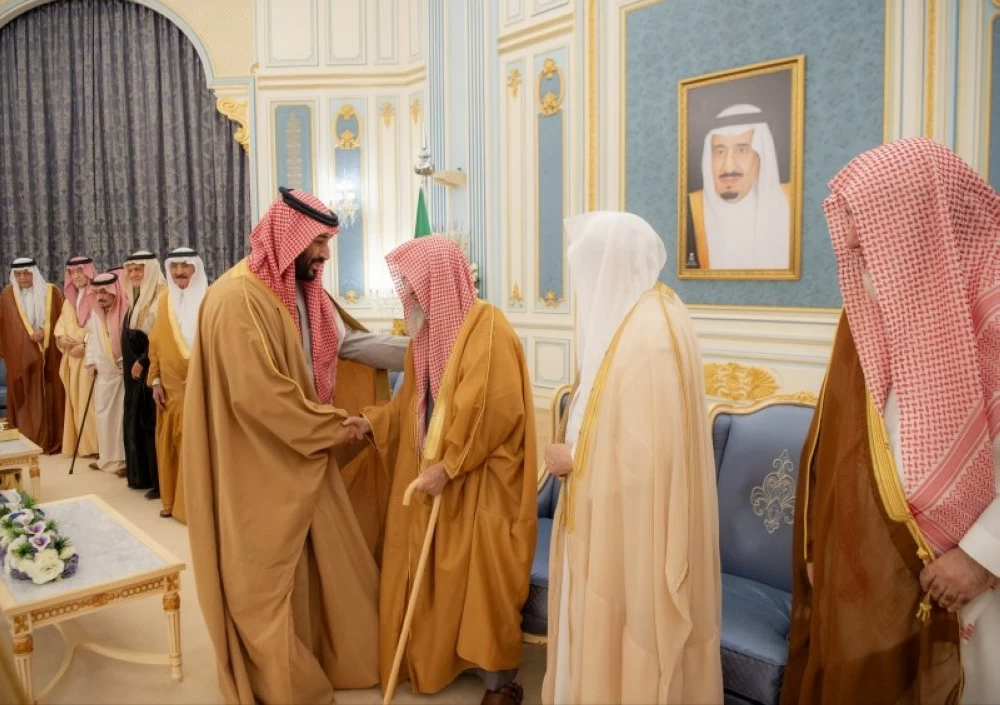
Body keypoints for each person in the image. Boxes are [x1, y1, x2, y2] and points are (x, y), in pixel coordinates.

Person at [782, 138, 999, 705]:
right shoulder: (866, 315)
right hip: (873, 575)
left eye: (865, 217)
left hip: (969, 589)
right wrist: (823, 546)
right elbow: (835, 443)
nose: (852, 237)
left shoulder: (992, 313)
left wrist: (981, 557)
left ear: (919, 216)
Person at [182, 187, 407, 704]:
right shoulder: (238, 299)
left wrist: (424, 349)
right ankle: (280, 677)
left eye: (328, 242)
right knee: (263, 573)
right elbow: (260, 396)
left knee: (327, 562)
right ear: (289, 236)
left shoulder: (304, 290)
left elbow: (350, 343)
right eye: (318, 242)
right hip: (256, 459)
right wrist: (335, 427)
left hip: (305, 450)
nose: (325, 254)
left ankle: (323, 654)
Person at [341, 235, 537, 705]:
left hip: (482, 483)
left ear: (437, 283)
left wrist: (448, 467)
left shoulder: (488, 330)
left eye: (412, 284)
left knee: (483, 583)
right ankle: (435, 656)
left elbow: (491, 411)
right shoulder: (426, 338)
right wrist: (371, 421)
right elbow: (410, 403)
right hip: (437, 476)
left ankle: (499, 685)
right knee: (432, 575)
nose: (406, 294)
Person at [540, 212, 723, 704]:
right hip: (605, 519)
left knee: (626, 640)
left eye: (589, 269)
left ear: (611, 265)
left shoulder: (650, 337)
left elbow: (650, 461)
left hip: (631, 531)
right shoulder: (641, 317)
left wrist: (574, 457)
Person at [686, 103, 791, 270]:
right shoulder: (690, 210)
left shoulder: (791, 202)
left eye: (742, 150)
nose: (728, 166)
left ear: (760, 157)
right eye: (719, 152)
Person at [147, 247, 207, 521]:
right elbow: (156, 343)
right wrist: (155, 380)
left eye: (185, 266)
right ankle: (172, 500)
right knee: (170, 442)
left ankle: (196, 506)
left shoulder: (210, 298)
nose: (179, 272)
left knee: (197, 441)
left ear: (196, 268)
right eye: (174, 267)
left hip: (201, 382)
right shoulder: (164, 301)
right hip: (170, 387)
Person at [0, 258, 65, 453]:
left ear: (34, 273)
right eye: (18, 274)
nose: (23, 278)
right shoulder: (7, 295)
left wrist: (44, 331)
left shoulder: (51, 292)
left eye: (26, 273)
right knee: (24, 397)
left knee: (49, 395)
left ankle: (50, 439)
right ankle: (26, 440)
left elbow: (61, 319)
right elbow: (5, 328)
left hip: (48, 354)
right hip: (21, 358)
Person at [122, 250, 165, 498]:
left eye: (139, 269)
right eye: (130, 270)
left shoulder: (162, 294)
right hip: (138, 369)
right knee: (139, 421)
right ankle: (145, 476)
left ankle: (161, 483)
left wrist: (143, 360)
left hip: (154, 367)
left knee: (152, 424)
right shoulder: (136, 296)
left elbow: (161, 336)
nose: (134, 274)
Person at [54, 256, 99, 459]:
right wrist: (62, 339)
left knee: (92, 404)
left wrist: (85, 345)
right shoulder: (69, 300)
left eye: (80, 271)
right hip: (72, 359)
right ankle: (83, 446)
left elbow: (103, 328)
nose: (77, 276)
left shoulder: (98, 295)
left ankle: (97, 446)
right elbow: (61, 325)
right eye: (73, 273)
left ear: (89, 272)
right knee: (77, 403)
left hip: (91, 358)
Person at [84, 272, 128, 476]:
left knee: (121, 419)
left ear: (114, 291)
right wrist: (91, 362)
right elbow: (91, 339)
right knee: (103, 417)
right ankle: (106, 458)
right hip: (103, 376)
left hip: (122, 376)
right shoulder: (95, 314)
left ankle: (123, 461)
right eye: (97, 292)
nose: (100, 296)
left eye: (104, 292)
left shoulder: (124, 310)